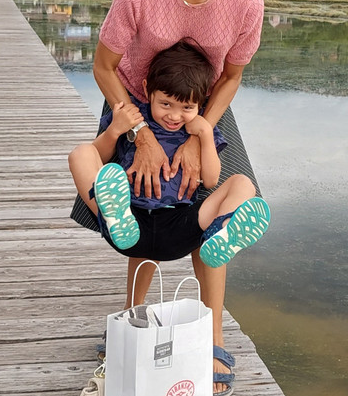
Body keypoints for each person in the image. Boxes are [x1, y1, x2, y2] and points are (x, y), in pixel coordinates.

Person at [70, 0, 266, 396]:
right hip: (135, 103)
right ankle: (133, 321)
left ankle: (212, 335)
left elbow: (232, 76)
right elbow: (105, 66)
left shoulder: (247, 2)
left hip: (205, 109)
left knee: (224, 207)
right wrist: (140, 131)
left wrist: (203, 126)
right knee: (140, 201)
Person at [68, 40, 270, 267]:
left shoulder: (200, 128)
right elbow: (97, 157)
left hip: (182, 226)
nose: (174, 116)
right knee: (81, 153)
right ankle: (111, 218)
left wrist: (204, 133)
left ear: (201, 101)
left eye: (186, 108)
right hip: (131, 221)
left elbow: (212, 180)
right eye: (166, 104)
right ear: (147, 90)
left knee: (244, 183)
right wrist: (115, 130)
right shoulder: (135, 117)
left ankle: (221, 232)